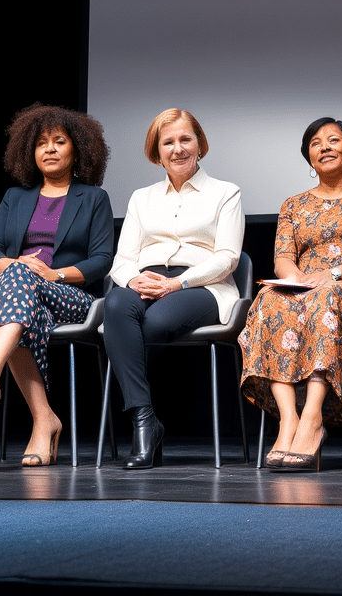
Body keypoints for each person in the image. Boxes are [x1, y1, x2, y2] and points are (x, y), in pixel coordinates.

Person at [0, 104, 114, 467]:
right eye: (42, 143)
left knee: (11, 294)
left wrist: (52, 273)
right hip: (19, 295)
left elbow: (101, 260)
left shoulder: (93, 198)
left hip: (69, 295)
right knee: (18, 300)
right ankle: (44, 420)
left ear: (78, 150)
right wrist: (19, 266)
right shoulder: (16, 197)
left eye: (60, 141)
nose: (50, 149)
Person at [239, 118, 342, 471]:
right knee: (269, 300)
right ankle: (288, 419)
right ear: (309, 158)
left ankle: (312, 420)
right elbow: (283, 258)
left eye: (334, 140)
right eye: (315, 143)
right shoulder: (293, 204)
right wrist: (296, 281)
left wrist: (331, 274)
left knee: (327, 296)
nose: (324, 147)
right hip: (306, 285)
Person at [103, 108, 244, 469]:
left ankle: (142, 424)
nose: (178, 148)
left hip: (201, 285)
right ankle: (145, 421)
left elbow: (228, 258)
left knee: (152, 325)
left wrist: (176, 283)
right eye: (168, 142)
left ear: (200, 144)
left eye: (185, 139)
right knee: (116, 307)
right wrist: (132, 279)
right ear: (157, 151)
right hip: (145, 279)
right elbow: (122, 259)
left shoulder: (226, 193)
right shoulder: (141, 197)